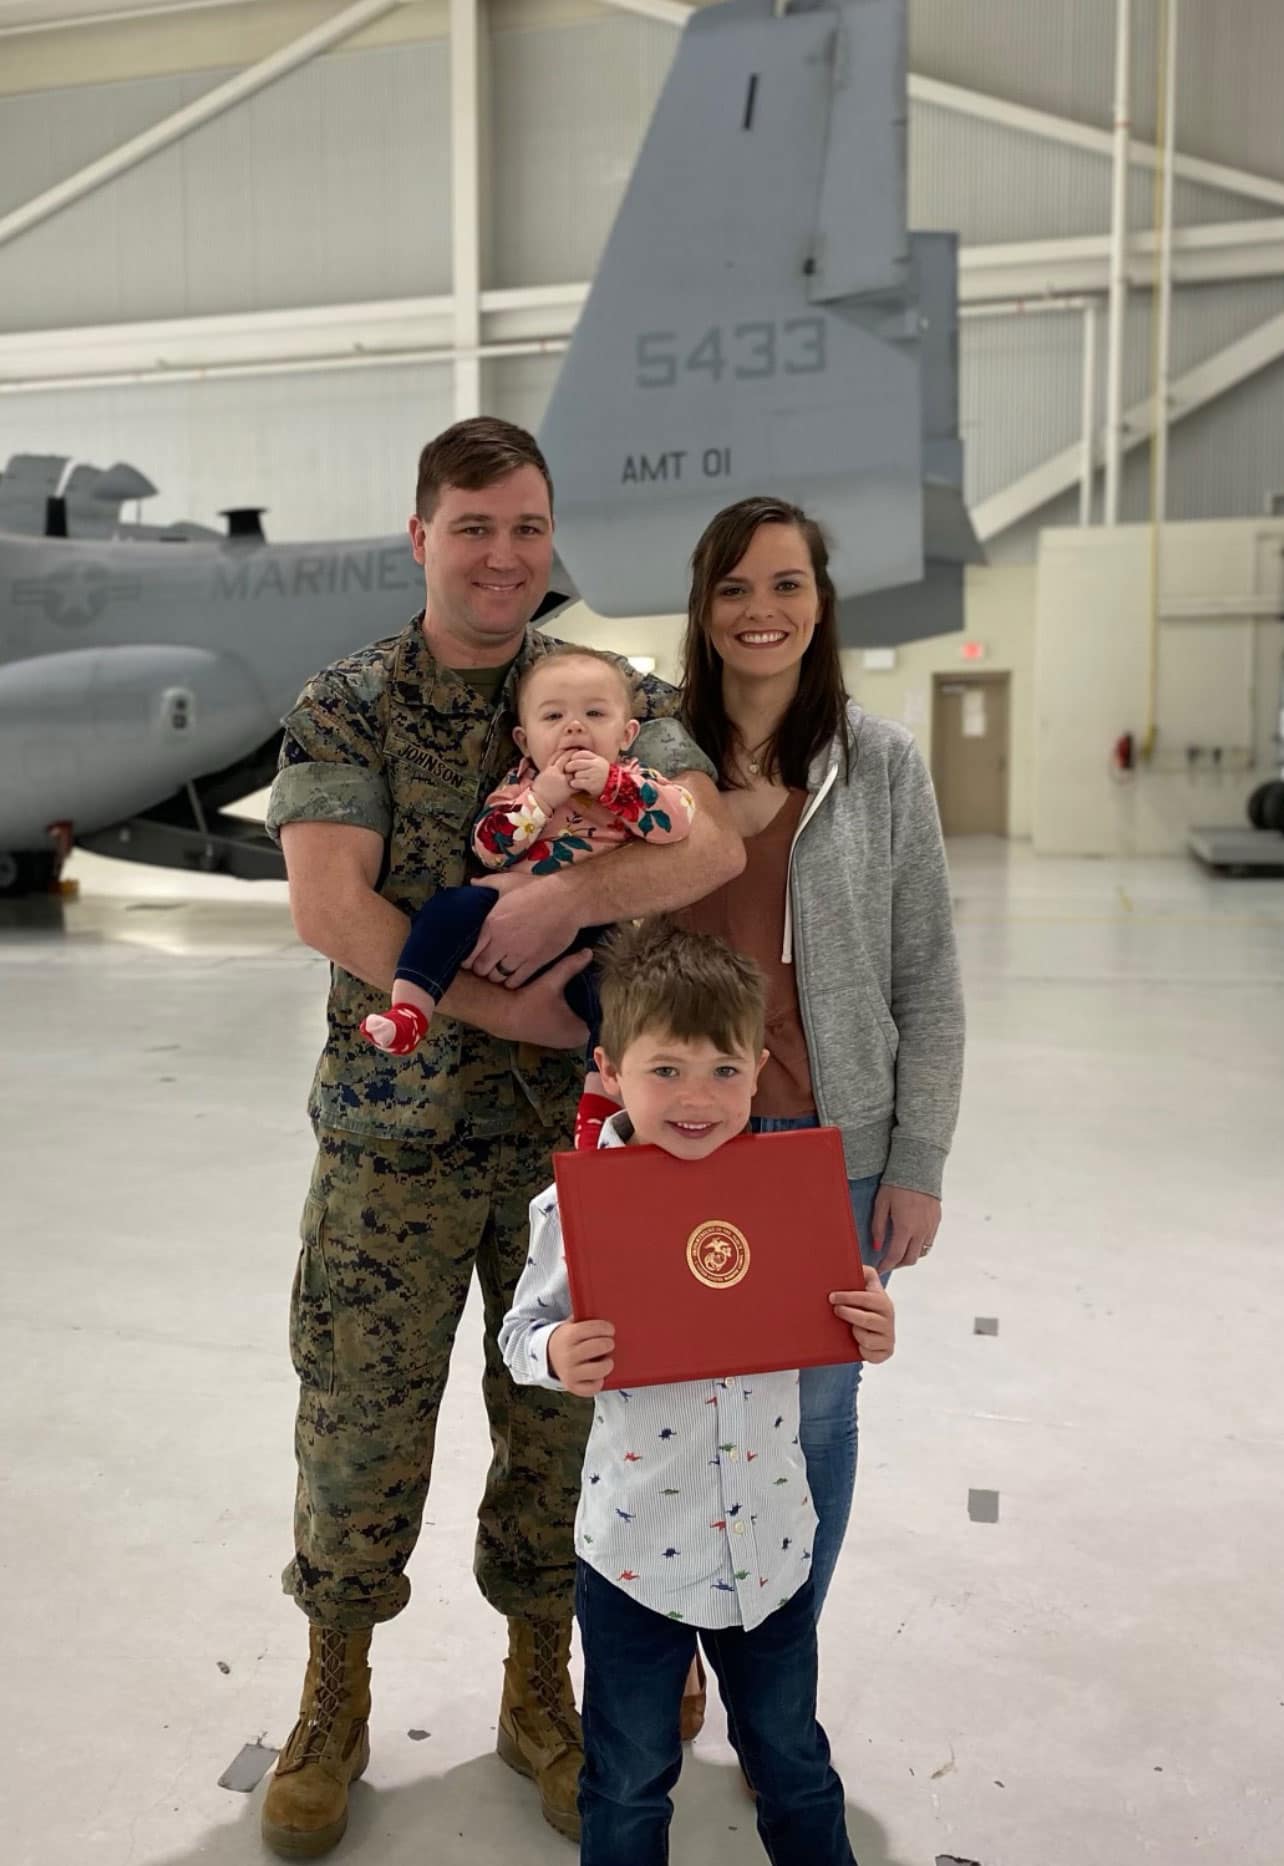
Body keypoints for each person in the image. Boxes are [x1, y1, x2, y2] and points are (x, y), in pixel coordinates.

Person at [258, 417, 743, 1858]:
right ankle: (333, 1695)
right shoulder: (349, 701)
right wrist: (516, 1004)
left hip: (572, 1155)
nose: (503, 555)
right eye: (474, 527)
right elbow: (331, 905)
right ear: (423, 538)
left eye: (527, 527)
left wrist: (563, 901)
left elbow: (708, 839)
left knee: (566, 1428)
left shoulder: (606, 691)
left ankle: (544, 1688)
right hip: (392, 1144)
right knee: (358, 1425)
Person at [499, 919, 896, 1866]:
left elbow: (843, 1311)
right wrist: (556, 1351)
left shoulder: (792, 1200)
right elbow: (518, 1332)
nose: (695, 1098)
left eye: (723, 1070)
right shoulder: (579, 1210)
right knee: (628, 1778)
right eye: (665, 1070)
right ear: (610, 1071)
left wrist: (873, 1325)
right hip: (637, 1556)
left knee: (792, 1760)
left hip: (771, 1548)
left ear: (759, 1070)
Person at [674, 494, 964, 1731]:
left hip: (829, 1149)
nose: (762, 611)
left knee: (816, 1418)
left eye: (786, 584)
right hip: (681, 1144)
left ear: (821, 603)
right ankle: (673, 1637)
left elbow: (928, 977)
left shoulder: (880, 762)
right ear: (703, 609)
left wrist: (919, 1158)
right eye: (735, 587)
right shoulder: (656, 765)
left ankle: (773, 1682)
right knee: (669, 1409)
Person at [360, 644, 696, 1152]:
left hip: (600, 928)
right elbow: (489, 846)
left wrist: (614, 786)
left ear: (627, 734)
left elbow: (677, 822)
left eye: (595, 714)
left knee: (616, 997)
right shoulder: (520, 785)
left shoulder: (636, 780)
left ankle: (598, 1108)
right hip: (504, 911)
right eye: (553, 717)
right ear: (524, 739)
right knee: (446, 912)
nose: (574, 727)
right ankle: (410, 1010)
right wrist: (541, 799)